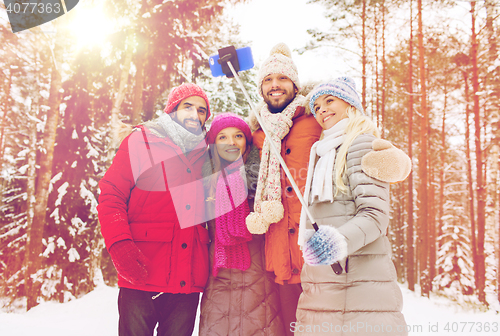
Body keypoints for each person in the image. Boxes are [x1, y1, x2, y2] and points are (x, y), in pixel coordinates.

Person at [294, 77, 408, 336]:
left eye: (329, 100)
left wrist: (336, 243)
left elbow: (375, 214)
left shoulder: (359, 144)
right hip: (325, 281)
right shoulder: (322, 152)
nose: (322, 109)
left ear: (351, 104)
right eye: (317, 107)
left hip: (357, 280)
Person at [97, 83, 211, 336]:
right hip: (142, 272)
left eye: (202, 110)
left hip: (187, 281)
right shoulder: (141, 141)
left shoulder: (207, 154)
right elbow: (111, 194)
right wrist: (119, 245)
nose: (195, 114)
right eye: (187, 106)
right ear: (172, 110)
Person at [245, 43, 322, 336]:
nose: (275, 85)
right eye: (267, 79)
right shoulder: (257, 133)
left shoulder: (317, 120)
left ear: (295, 84)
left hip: (318, 255)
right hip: (281, 260)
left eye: (282, 78)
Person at [199, 113, 285, 335]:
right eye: (222, 137)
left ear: (247, 143)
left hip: (259, 281)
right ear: (213, 144)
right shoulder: (203, 182)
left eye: (238, 136)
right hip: (218, 281)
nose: (231, 142)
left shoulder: (265, 181)